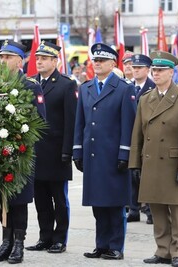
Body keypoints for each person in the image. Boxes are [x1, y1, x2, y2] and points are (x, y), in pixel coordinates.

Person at [129, 51, 178, 267]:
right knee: (157, 209)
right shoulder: (146, 99)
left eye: (160, 70)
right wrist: (135, 162)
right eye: (154, 70)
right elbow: (137, 134)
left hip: (173, 163)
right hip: (151, 162)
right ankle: (162, 250)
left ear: (171, 73)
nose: (156, 73)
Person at [73, 43, 136, 260]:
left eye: (102, 61)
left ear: (112, 64)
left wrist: (125, 154)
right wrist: (77, 151)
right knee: (98, 205)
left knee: (115, 205)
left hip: (113, 156)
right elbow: (80, 123)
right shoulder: (86, 87)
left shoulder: (124, 88)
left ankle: (116, 246)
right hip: (92, 155)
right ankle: (101, 245)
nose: (97, 64)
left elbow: (129, 125)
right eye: (95, 60)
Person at [0, 40, 46, 264]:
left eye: (8, 57)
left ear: (20, 61)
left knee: (19, 199)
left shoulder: (31, 86)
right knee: (3, 198)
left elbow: (41, 121)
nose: (3, 61)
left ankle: (18, 243)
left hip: (21, 153)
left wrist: (18, 135)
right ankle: (6, 242)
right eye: (1, 57)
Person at [25, 41, 77, 254]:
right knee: (41, 199)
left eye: (44, 58)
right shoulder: (31, 83)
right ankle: (44, 236)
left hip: (56, 152)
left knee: (59, 200)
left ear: (55, 61)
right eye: (37, 58)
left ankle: (59, 239)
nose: (39, 61)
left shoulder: (66, 84)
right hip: (36, 152)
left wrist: (68, 150)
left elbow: (70, 120)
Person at [126, 54, 155, 224]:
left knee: (148, 175)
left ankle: (151, 210)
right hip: (131, 137)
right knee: (132, 174)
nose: (135, 70)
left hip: (148, 137)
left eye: (139, 68)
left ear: (147, 69)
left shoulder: (153, 87)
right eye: (133, 67)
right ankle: (134, 209)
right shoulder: (128, 87)